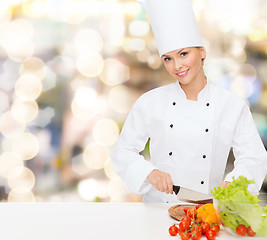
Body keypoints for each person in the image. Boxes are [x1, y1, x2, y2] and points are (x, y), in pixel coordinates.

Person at [111, 0, 267, 202]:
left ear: (202, 52)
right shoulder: (150, 102)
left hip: (206, 212)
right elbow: (122, 152)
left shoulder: (232, 105)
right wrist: (149, 172)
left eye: (184, 54)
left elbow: (254, 156)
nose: (177, 66)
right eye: (168, 58)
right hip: (157, 210)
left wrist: (233, 183)